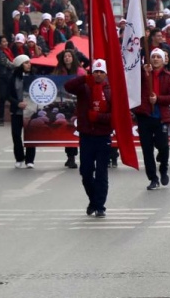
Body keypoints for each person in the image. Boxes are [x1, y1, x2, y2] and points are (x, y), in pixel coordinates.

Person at [64, 59, 113, 217]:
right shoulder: (84, 88)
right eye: (95, 72)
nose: (98, 75)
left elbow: (114, 117)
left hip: (103, 136)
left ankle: (100, 206)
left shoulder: (110, 91)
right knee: (85, 172)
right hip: (86, 136)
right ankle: (93, 200)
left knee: (101, 173)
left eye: (101, 72)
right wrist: (84, 78)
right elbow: (68, 87)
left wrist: (98, 117)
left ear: (105, 74)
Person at [133, 48, 170, 190]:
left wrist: (158, 99)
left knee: (163, 146)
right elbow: (133, 84)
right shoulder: (143, 74)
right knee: (147, 149)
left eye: (159, 57)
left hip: (160, 117)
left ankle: (163, 169)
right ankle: (153, 178)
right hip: (144, 116)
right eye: (153, 57)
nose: (156, 59)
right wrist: (143, 72)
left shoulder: (168, 77)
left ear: (163, 61)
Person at [53, 50, 86, 169]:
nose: (67, 58)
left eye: (69, 56)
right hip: (64, 106)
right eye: (65, 56)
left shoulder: (80, 71)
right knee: (68, 132)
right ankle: (70, 157)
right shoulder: (58, 72)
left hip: (79, 105)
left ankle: (83, 156)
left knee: (79, 132)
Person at [7, 54, 36, 168]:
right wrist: (17, 103)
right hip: (17, 112)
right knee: (16, 135)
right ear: (20, 65)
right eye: (26, 63)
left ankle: (30, 160)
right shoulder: (13, 78)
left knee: (30, 136)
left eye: (29, 62)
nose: (29, 65)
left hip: (30, 112)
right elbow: (7, 95)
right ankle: (19, 158)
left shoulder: (33, 77)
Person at [0, 35, 15, 126]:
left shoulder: (8, 51)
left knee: (11, 96)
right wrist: (17, 64)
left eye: (6, 41)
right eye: (3, 42)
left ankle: (13, 115)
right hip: (3, 77)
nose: (6, 43)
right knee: (3, 97)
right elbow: (8, 64)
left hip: (9, 76)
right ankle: (1, 118)